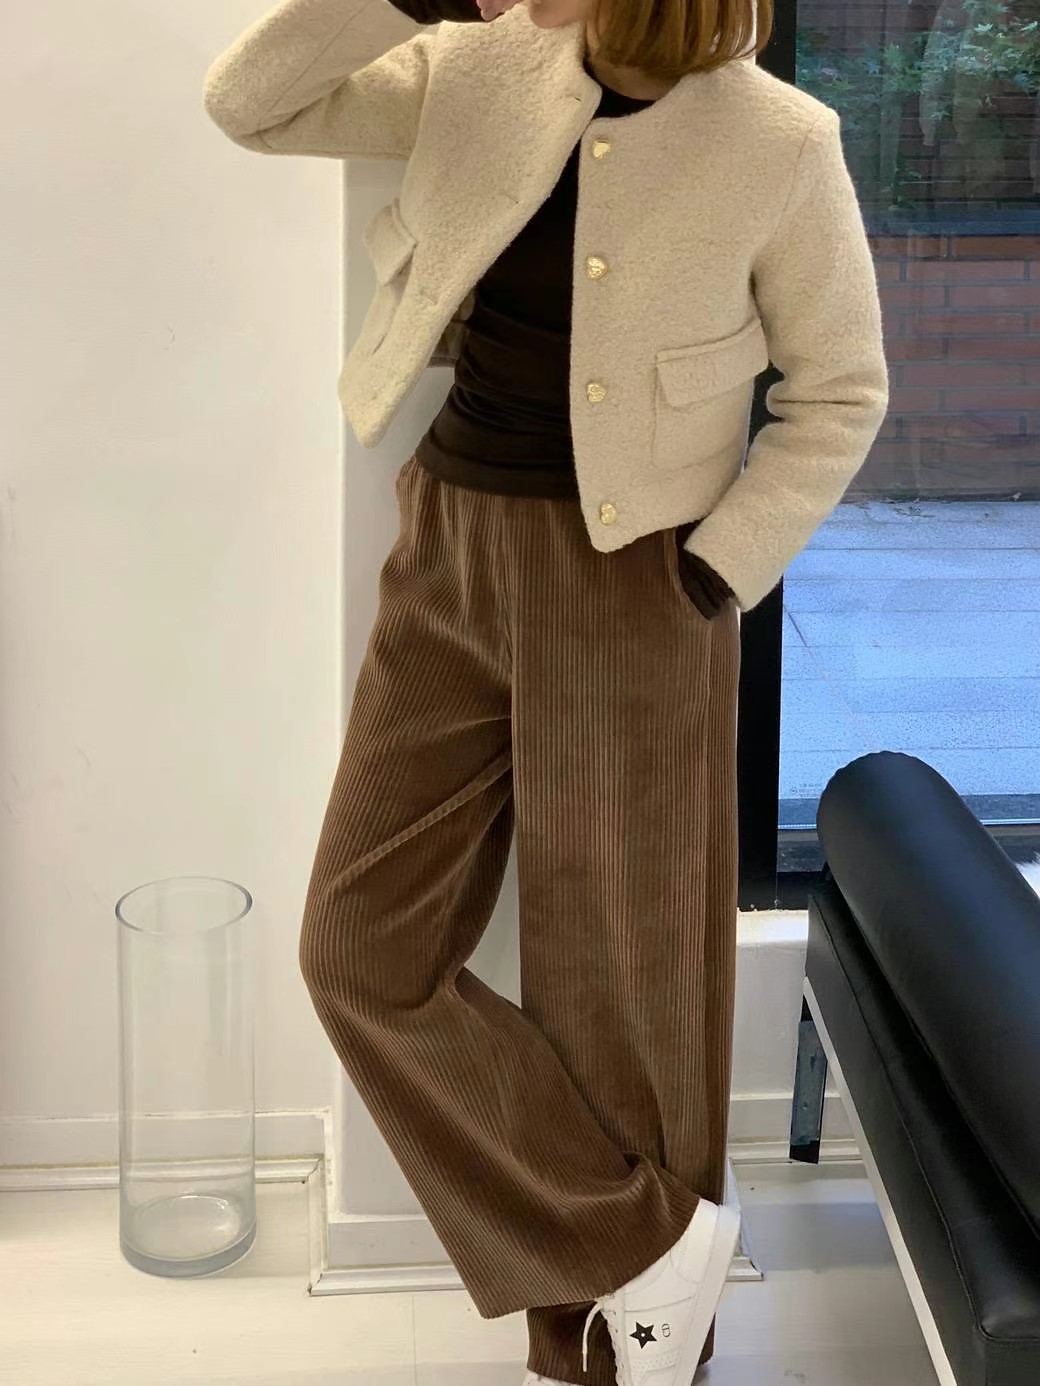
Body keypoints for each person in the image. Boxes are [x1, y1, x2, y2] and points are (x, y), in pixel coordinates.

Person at [202, 0, 889, 1380]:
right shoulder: (477, 62)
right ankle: (651, 1240)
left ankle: (615, 1353)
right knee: (357, 951)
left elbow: (840, 392)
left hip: (642, 583)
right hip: (448, 552)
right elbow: (249, 103)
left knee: (626, 990)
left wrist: (717, 571)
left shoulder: (782, 140)